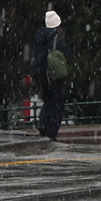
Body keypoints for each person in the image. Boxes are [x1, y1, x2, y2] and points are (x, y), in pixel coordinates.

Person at [32, 10, 72, 140]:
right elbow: (67, 53)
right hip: (55, 75)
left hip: (43, 74)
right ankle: (51, 131)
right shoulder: (57, 38)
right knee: (57, 103)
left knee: (48, 101)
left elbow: (36, 56)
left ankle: (43, 126)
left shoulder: (39, 37)